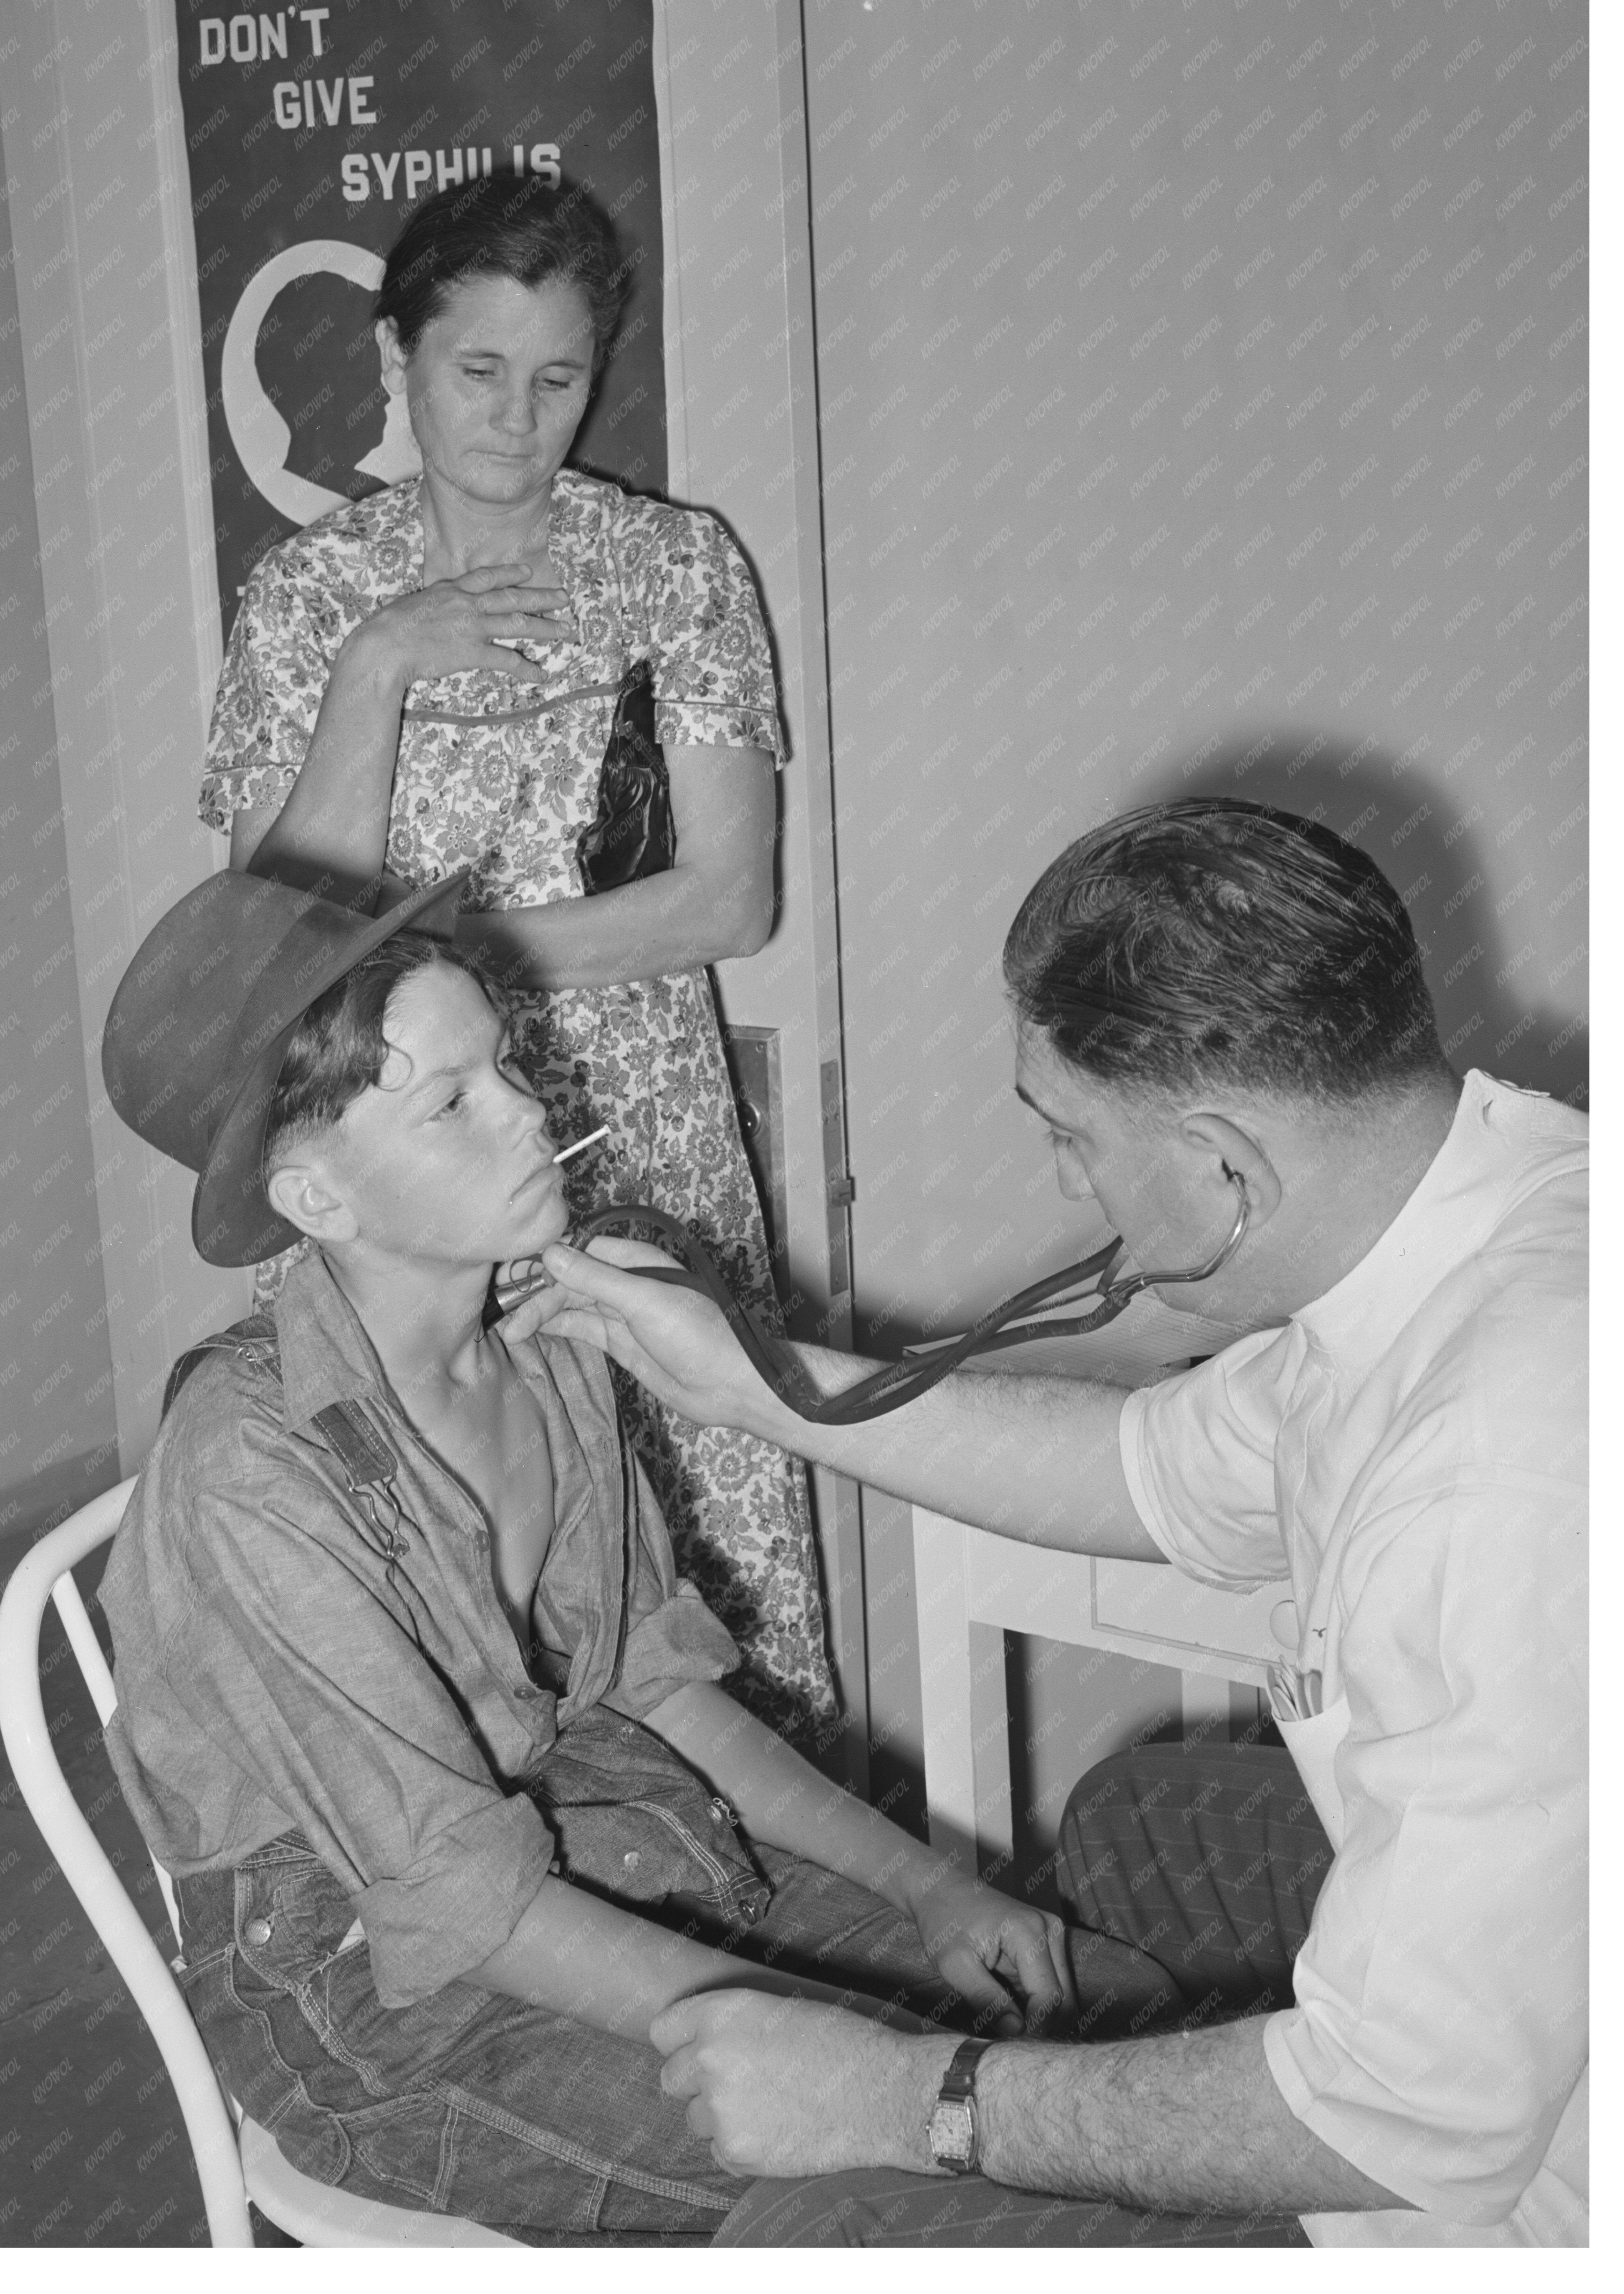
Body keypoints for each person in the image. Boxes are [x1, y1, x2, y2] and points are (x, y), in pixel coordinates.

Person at [93, 865, 1229, 2246]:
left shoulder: (556, 1337)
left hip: (605, 1827)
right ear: (317, 1202)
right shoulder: (247, 1476)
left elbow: (654, 1685)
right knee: (970, 2181)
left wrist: (930, 1889)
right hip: (379, 1984)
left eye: (502, 1066)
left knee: (1116, 2033)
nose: (529, 1113)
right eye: (452, 1104)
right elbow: (467, 1904)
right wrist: (883, 2076)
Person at [518, 799, 1589, 2247]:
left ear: (1226, 1168)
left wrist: (912, 2103)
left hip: (1526, 2207)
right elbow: (1146, 1467)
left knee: (810, 2231)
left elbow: (1401, 2124)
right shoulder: (1490, 1216)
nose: (1067, 1184)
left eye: (1071, 1139)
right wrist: (757, 1383)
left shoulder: (1495, 1470)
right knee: (1133, 1821)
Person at [199, 172, 829, 1733]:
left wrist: (461, 961)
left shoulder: (676, 569)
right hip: (399, 1146)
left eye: (558, 378)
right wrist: (376, 671)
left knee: (694, 1523)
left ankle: (786, 1896)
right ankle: (504, 1902)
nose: (516, 417)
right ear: (395, 358)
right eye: (476, 371)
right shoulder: (310, 595)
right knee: (437, 1549)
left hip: (646, 1133)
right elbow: (276, 929)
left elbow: (724, 903)